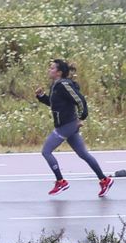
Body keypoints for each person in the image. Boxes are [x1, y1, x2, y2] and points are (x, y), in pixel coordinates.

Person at [35, 59, 113, 197]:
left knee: (46, 151)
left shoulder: (64, 85)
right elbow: (55, 104)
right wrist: (42, 97)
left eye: (52, 68)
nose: (49, 70)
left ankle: (61, 182)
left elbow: (80, 100)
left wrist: (81, 117)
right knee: (83, 154)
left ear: (59, 72)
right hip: (65, 124)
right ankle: (104, 180)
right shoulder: (56, 85)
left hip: (67, 125)